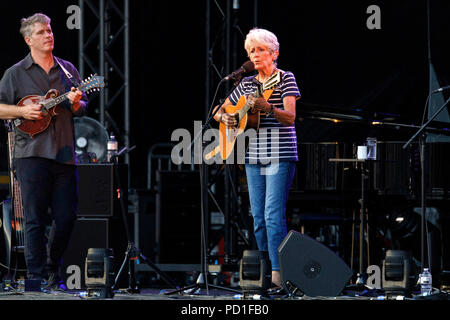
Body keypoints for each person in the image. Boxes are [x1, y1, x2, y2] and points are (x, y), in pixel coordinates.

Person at [0, 13, 88, 290]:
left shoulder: (67, 69)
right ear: (29, 40)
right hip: (30, 154)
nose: (48, 35)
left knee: (66, 217)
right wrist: (22, 110)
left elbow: (81, 108)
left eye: (49, 30)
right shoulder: (15, 73)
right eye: (40, 32)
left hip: (64, 154)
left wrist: (75, 101)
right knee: (34, 219)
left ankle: (52, 269)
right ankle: (36, 278)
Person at [214, 28, 300, 289]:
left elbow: (290, 116)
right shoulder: (247, 83)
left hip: (280, 153)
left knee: (273, 215)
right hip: (253, 154)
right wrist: (226, 117)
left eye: (261, 50)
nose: (255, 55)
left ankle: (279, 273)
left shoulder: (285, 78)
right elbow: (218, 110)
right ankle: (265, 270)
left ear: (274, 53)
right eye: (252, 51)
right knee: (258, 217)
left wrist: (269, 108)